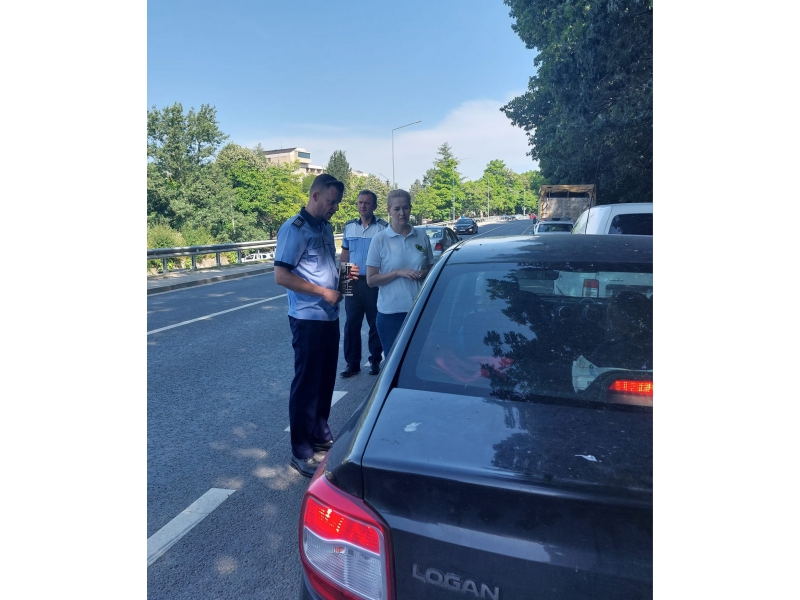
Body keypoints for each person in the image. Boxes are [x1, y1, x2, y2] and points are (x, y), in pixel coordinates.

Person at [273, 173, 357, 477]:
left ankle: (320, 434)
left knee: (324, 381)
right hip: (307, 318)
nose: (336, 207)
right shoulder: (294, 229)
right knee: (307, 385)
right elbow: (281, 276)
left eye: (338, 203)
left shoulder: (325, 226)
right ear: (316, 196)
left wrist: (345, 279)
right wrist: (323, 292)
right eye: (332, 202)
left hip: (329, 316)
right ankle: (301, 451)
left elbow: (327, 266)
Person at [366, 189, 435, 353]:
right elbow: (371, 280)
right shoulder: (379, 240)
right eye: (397, 209)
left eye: (406, 208)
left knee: (420, 358)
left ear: (410, 208)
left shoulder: (422, 236)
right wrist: (398, 273)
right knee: (395, 362)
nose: (402, 213)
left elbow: (431, 270)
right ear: (389, 210)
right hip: (391, 314)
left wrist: (423, 274)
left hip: (419, 309)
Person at [339, 190, 389, 378]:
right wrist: (343, 282)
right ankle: (352, 364)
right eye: (360, 202)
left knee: (375, 322)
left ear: (374, 206)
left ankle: (375, 360)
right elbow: (345, 253)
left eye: (367, 203)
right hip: (352, 277)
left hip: (373, 280)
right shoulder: (349, 226)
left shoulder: (383, 227)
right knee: (351, 323)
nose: (363, 206)